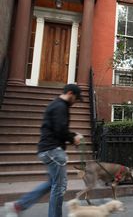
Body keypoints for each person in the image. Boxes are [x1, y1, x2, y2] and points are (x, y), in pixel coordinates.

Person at [5, 84, 84, 217]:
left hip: (46, 149)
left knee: (51, 184)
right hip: (53, 151)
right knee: (59, 188)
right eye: (76, 98)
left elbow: (57, 128)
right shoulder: (61, 107)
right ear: (70, 93)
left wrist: (72, 135)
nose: (75, 102)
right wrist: (73, 138)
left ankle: (18, 206)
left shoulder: (55, 105)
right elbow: (60, 130)